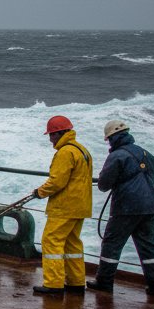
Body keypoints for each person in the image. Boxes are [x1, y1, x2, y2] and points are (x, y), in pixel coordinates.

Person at [86, 119, 154, 296]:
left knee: (112, 244)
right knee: (148, 247)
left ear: (112, 138)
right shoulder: (147, 154)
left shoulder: (117, 156)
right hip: (150, 206)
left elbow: (104, 184)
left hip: (126, 207)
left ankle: (104, 282)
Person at [31, 115, 93, 294]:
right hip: (80, 206)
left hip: (64, 207)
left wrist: (39, 192)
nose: (50, 139)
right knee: (72, 244)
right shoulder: (82, 150)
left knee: (51, 241)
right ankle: (76, 282)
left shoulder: (65, 153)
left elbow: (57, 181)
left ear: (59, 133)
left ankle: (53, 284)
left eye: (51, 135)